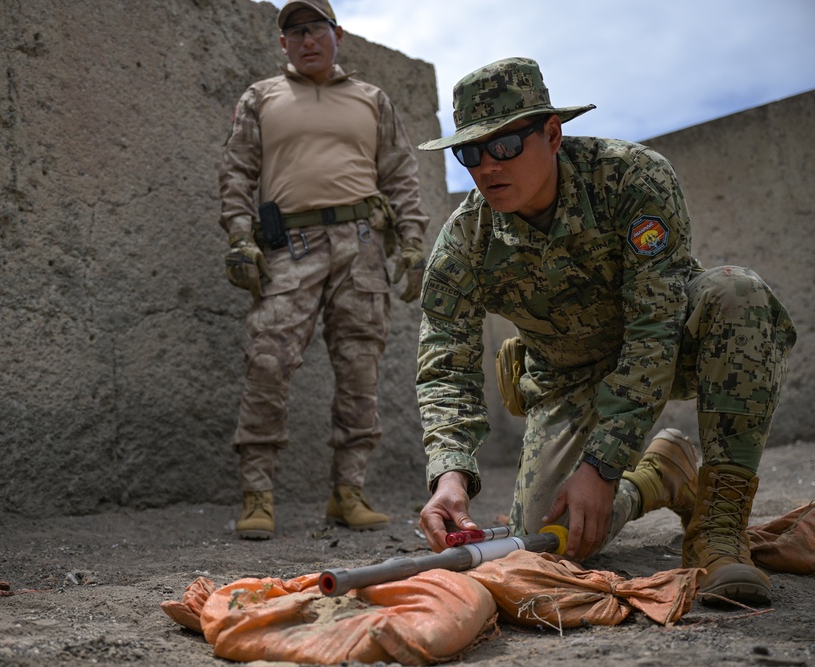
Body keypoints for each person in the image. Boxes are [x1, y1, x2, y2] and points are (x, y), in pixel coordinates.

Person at [415, 57, 796, 605]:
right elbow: (443, 362)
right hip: (566, 377)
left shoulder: (630, 178)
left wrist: (601, 462)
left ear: (551, 133)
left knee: (737, 294)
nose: (486, 167)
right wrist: (450, 474)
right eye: (469, 152)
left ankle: (719, 527)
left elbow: (655, 327)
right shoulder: (464, 242)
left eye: (503, 146)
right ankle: (659, 475)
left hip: (666, 348)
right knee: (553, 541)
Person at [218, 0, 430, 539]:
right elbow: (237, 172)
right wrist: (240, 237)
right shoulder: (261, 97)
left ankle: (348, 492)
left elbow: (400, 173)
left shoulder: (371, 100)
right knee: (268, 359)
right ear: (283, 44)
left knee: (360, 370)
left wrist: (411, 240)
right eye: (295, 32)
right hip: (290, 245)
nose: (307, 39)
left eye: (317, 29)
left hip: (361, 247)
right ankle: (257, 496)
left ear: (338, 35)